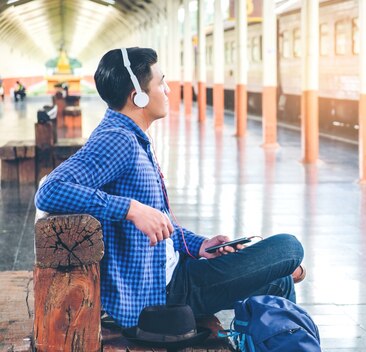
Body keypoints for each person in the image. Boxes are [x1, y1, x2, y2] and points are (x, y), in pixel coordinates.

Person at [35, 47, 305, 328]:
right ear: (137, 96)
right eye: (161, 82)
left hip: (173, 272)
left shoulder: (132, 138)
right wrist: (131, 209)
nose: (167, 90)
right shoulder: (118, 141)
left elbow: (159, 224)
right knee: (289, 248)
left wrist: (200, 245)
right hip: (163, 291)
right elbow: (49, 190)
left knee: (280, 281)